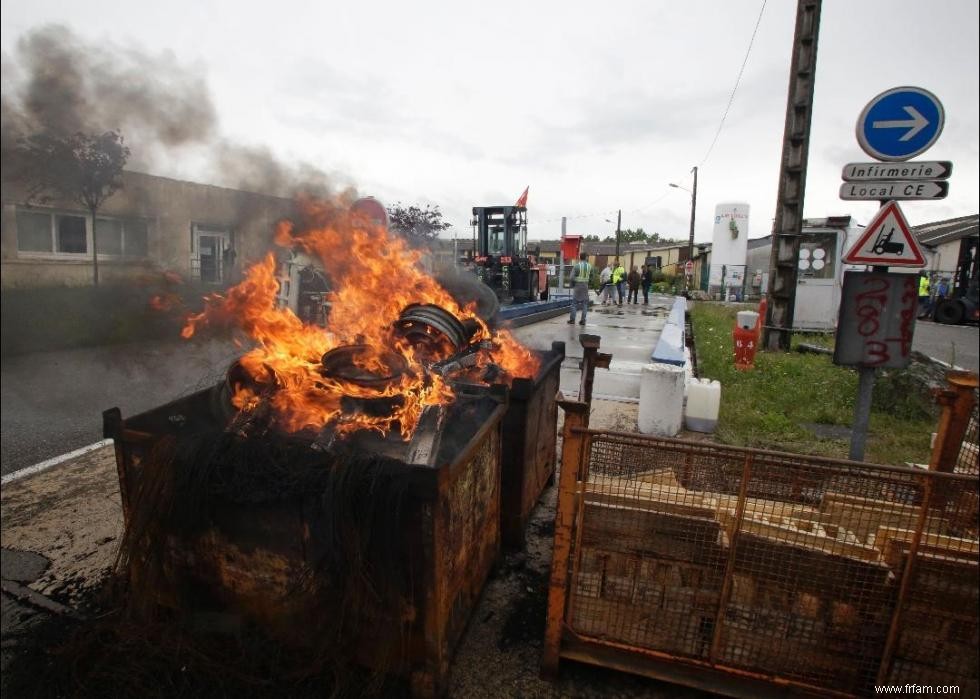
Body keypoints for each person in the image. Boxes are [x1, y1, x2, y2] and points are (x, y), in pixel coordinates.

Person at [567, 253, 593, 326]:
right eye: (587, 257)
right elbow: (591, 277)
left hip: (578, 286)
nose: (588, 258)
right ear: (586, 258)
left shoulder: (577, 266)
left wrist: (572, 284)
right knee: (585, 304)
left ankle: (572, 320)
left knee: (574, 304)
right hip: (585, 286)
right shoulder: (589, 266)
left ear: (580, 258)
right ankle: (583, 321)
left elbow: (571, 277)